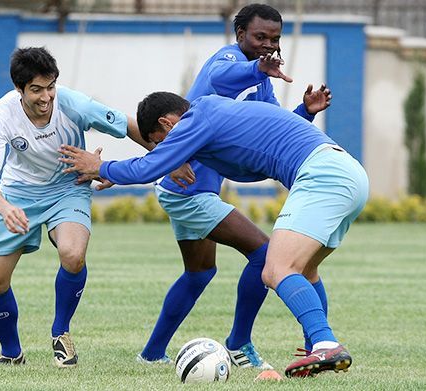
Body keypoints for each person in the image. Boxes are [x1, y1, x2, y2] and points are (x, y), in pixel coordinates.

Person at [58, 91, 368, 378]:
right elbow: (274, 131)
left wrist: (102, 166)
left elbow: (148, 168)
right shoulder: (218, 112)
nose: (167, 147)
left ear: (168, 123)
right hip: (348, 171)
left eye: (161, 140)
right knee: (305, 269)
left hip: (321, 175)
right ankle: (318, 351)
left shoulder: (198, 116)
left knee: (275, 269)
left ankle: (325, 344)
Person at [135, 3, 332, 369]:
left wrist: (305, 112)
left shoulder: (259, 79)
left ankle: (151, 354)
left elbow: (271, 129)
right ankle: (239, 342)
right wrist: (257, 66)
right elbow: (225, 76)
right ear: (240, 34)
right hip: (189, 193)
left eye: (274, 39)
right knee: (264, 255)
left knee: (200, 273)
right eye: (260, 37)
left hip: (190, 191)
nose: (268, 45)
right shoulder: (225, 62)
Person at [0, 47, 152, 367]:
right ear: (19, 90)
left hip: (68, 188)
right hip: (17, 194)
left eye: (50, 87)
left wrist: (167, 160)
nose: (46, 97)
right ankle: (12, 352)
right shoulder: (0, 115)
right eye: (36, 90)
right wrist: (4, 208)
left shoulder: (74, 104)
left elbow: (129, 124)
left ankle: (61, 333)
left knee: (73, 254)